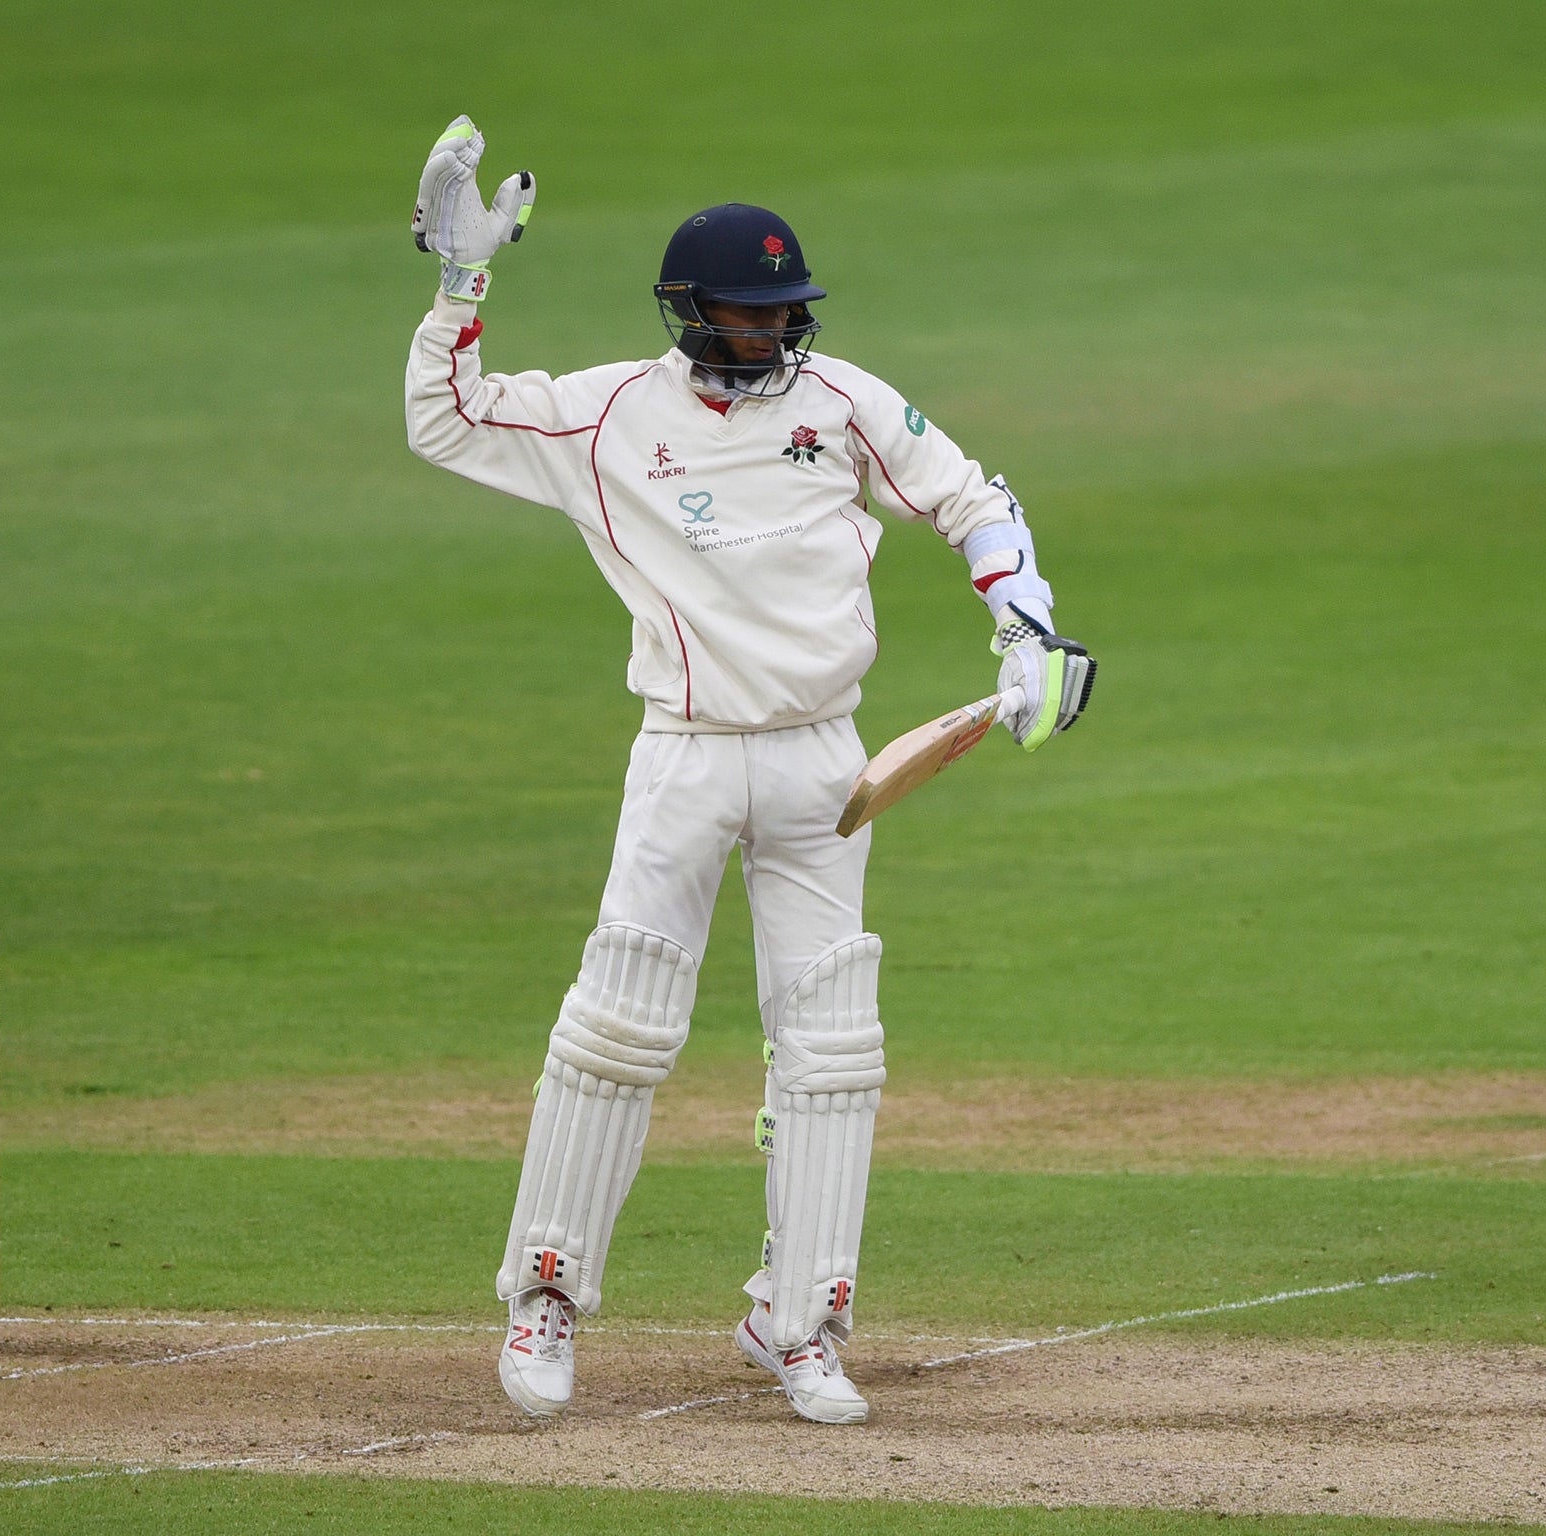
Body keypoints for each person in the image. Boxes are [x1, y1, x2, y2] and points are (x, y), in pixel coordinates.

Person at [404, 116, 1095, 1425]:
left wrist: (1027, 627)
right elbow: (445, 421)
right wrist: (461, 287)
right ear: (690, 313)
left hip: (825, 763)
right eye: (751, 313)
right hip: (684, 753)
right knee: (621, 1024)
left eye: (790, 313)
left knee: (831, 1049)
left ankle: (803, 1323)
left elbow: (973, 499)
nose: (777, 334)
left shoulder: (843, 408)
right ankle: (544, 1298)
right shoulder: (610, 414)